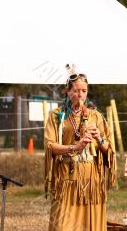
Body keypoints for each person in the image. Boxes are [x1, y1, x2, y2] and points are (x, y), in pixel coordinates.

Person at [44, 71, 116, 231]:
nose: (80, 95)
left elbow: (109, 151)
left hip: (92, 181)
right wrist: (75, 147)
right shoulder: (56, 116)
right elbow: (50, 146)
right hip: (67, 178)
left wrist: (100, 139)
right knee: (63, 225)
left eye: (84, 91)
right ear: (67, 91)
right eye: (76, 90)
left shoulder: (96, 117)